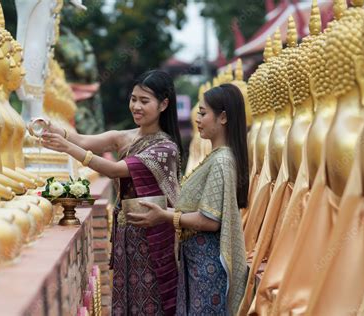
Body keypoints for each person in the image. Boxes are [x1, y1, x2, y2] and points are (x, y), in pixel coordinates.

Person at [41, 70, 183, 315]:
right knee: (125, 293)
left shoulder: (165, 148)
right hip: (126, 231)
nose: (136, 106)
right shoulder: (125, 136)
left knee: (151, 300)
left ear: (164, 104)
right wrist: (55, 129)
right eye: (133, 99)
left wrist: (67, 148)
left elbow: (115, 170)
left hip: (153, 235)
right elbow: (84, 140)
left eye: (144, 101)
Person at [128, 84, 249, 316]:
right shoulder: (215, 157)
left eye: (203, 113)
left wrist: (164, 216)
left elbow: (209, 221)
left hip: (208, 265)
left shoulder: (222, 161)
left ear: (223, 117)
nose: (197, 118)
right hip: (196, 259)